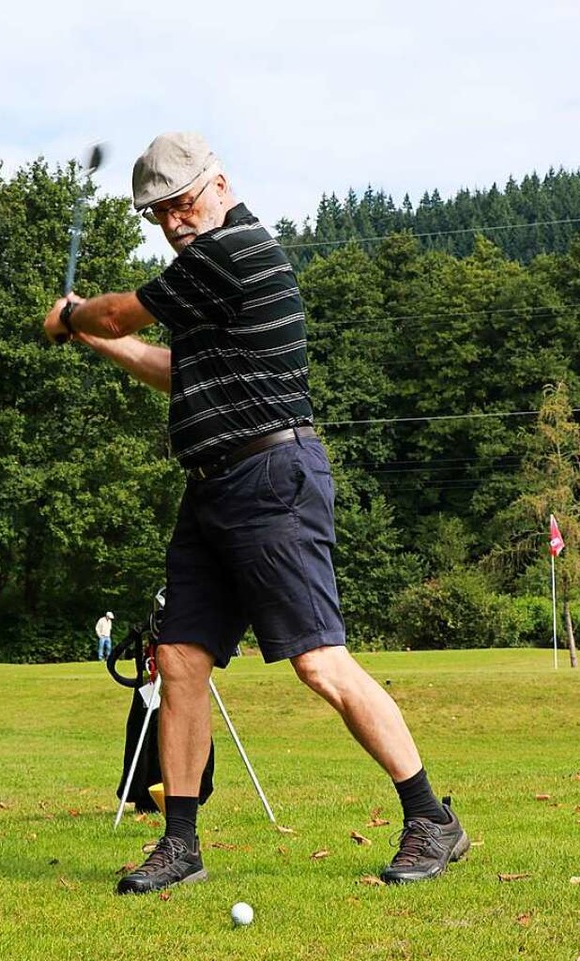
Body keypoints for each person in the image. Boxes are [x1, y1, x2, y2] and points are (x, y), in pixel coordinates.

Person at [44, 131, 469, 894]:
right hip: (211, 486)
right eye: (156, 215)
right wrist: (88, 335)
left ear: (216, 184)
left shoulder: (233, 251)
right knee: (178, 660)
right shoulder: (203, 280)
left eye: (177, 204)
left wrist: (79, 317)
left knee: (319, 661)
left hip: (272, 478)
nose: (171, 222)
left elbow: (117, 316)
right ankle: (181, 843)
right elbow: (174, 370)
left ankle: (430, 815)